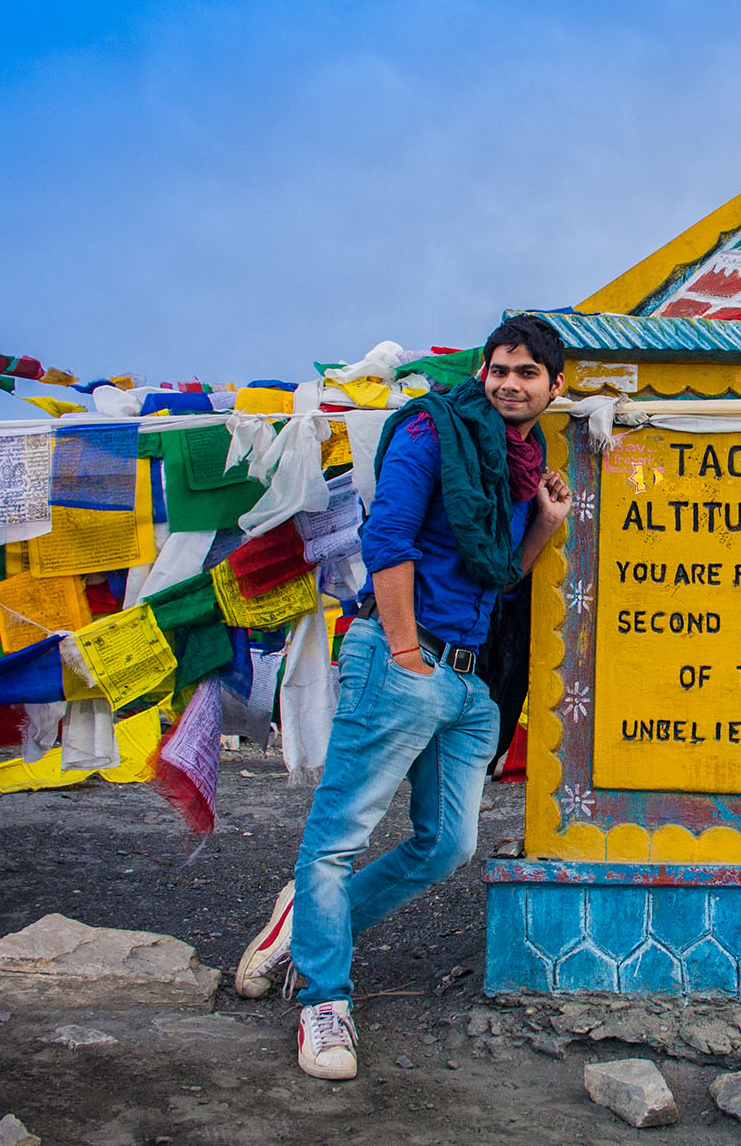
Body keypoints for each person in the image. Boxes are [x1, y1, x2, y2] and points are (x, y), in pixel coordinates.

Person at [234, 314, 570, 1080]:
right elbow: (387, 540)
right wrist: (409, 652)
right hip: (401, 660)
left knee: (448, 844)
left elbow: (498, 577)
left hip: (467, 682)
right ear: (483, 372)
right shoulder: (432, 433)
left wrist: (544, 525)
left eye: (528, 374)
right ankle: (323, 1001)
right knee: (337, 840)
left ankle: (307, 927)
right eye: (501, 369)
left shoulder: (519, 463)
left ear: (555, 387)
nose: (511, 384)